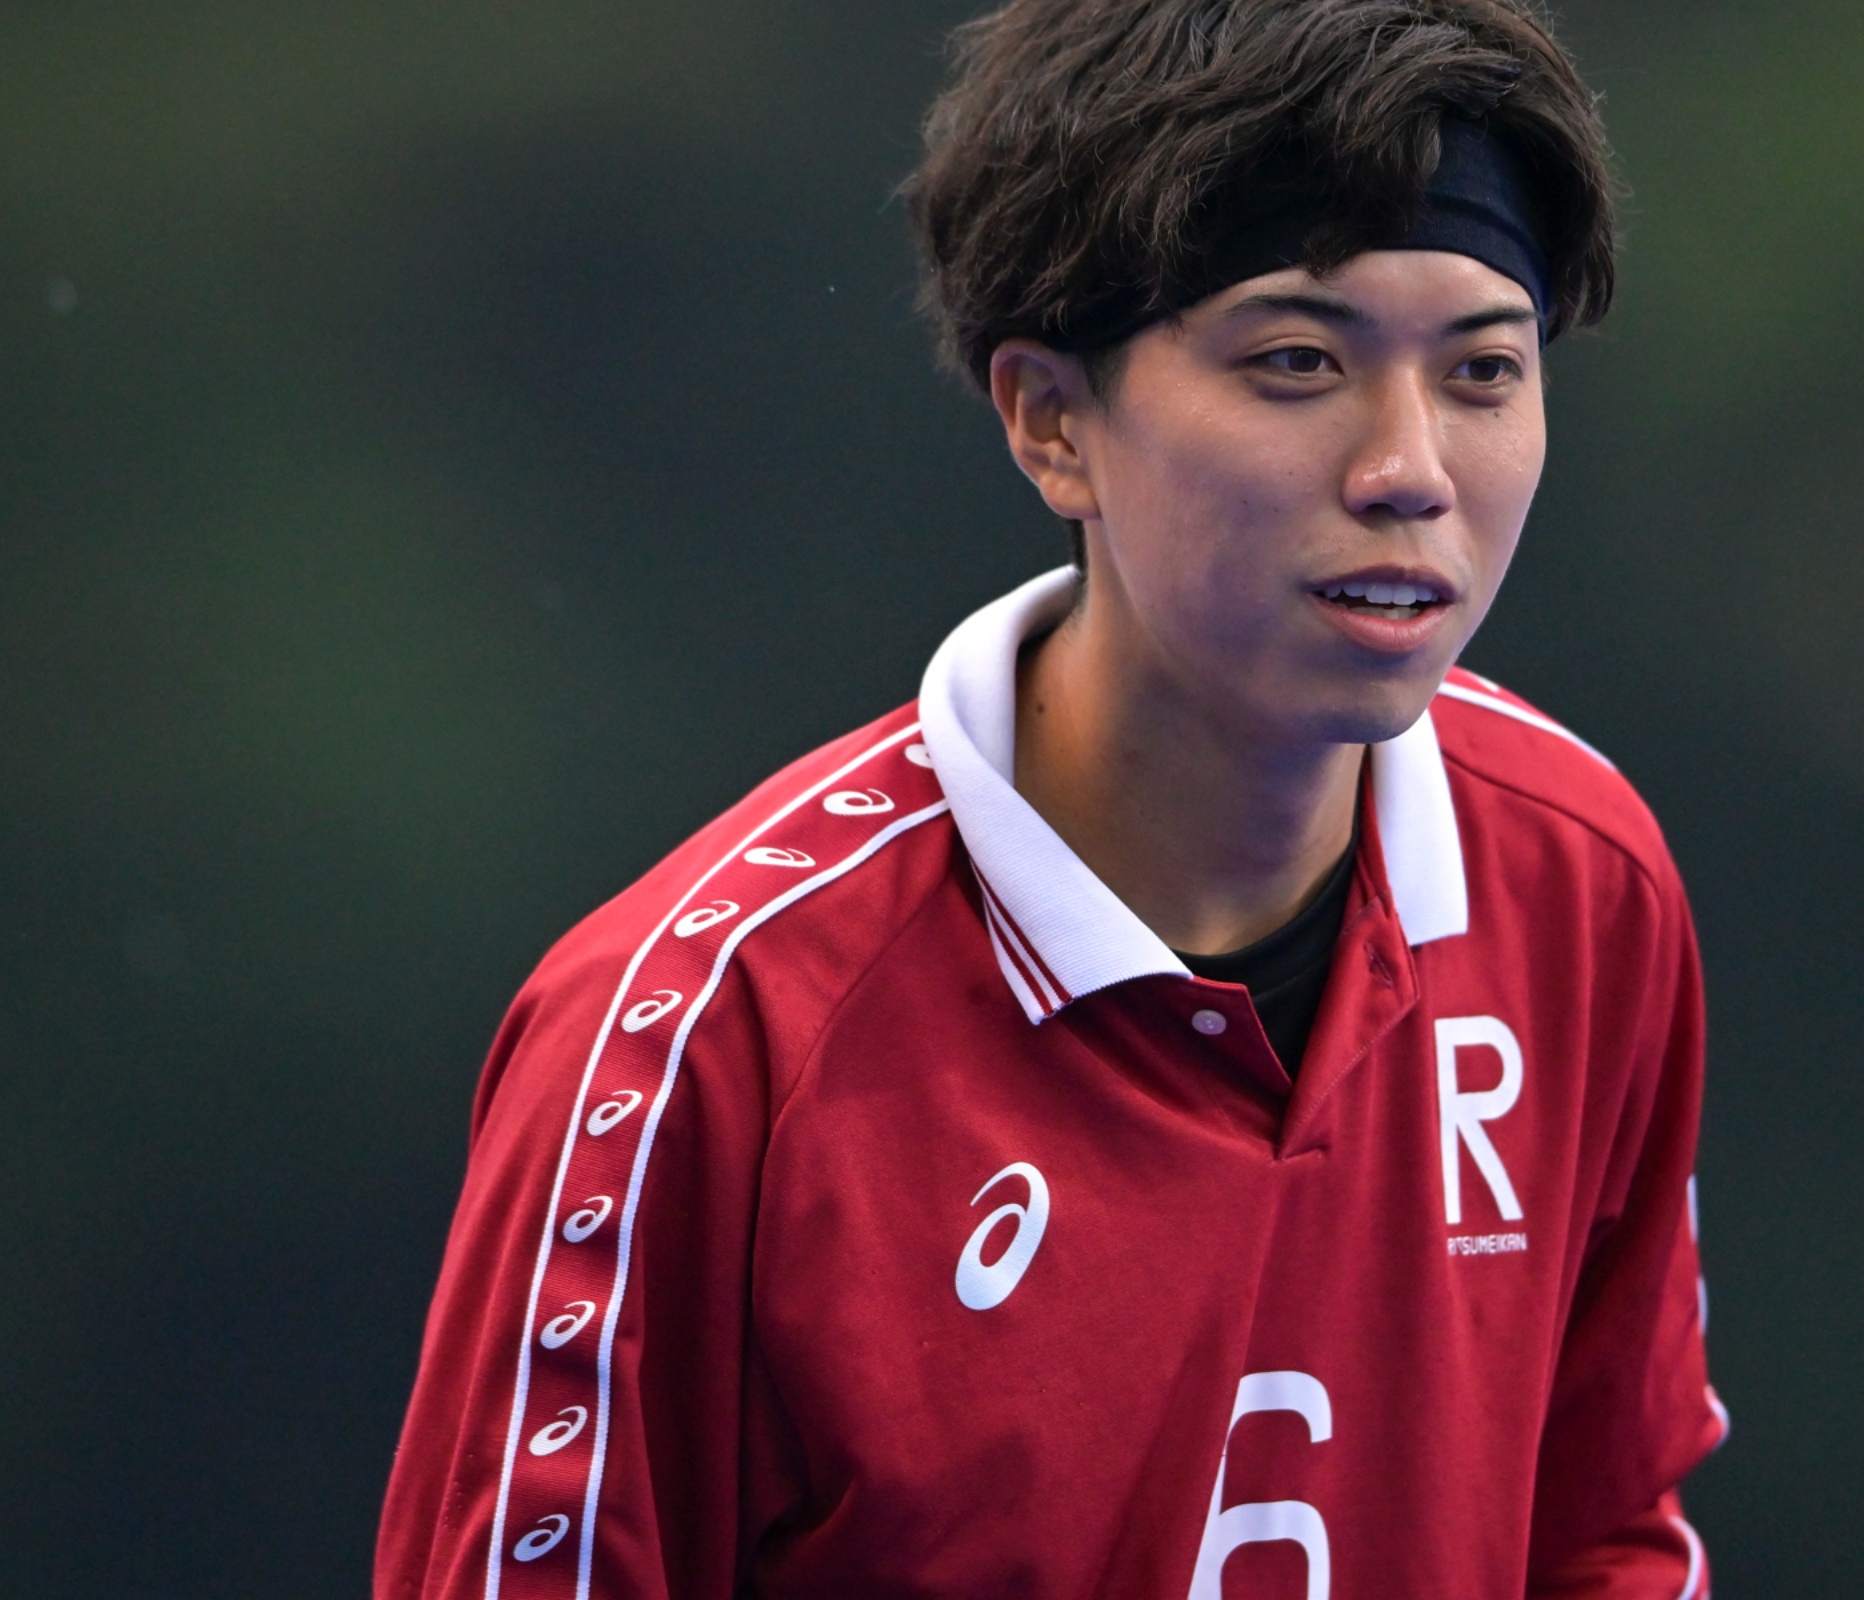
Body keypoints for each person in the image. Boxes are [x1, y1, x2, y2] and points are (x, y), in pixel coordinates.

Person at [375, 0, 1727, 1594]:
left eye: (1483, 369)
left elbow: (1604, 1536)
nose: (1410, 469)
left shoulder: (1579, 878)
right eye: (1297, 362)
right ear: (1049, 420)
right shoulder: (701, 1043)